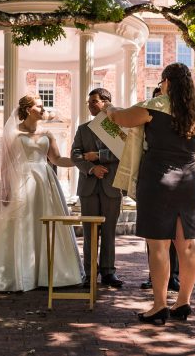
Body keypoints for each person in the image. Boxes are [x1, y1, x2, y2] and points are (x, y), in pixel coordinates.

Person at [108, 63, 195, 325]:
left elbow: (120, 119)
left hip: (158, 179)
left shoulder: (154, 106)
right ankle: (184, 301)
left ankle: (159, 305)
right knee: (187, 244)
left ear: (166, 82)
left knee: (159, 245)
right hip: (188, 182)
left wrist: (109, 109)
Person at [0, 94, 82, 292]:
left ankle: (49, 273)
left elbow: (56, 159)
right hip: (20, 180)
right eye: (39, 106)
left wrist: (80, 160)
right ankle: (16, 273)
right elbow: (6, 163)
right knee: (19, 223)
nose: (43, 109)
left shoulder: (47, 133)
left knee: (44, 222)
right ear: (29, 109)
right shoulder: (14, 132)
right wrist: (5, 187)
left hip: (44, 182)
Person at [71, 88, 123, 289]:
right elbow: (75, 155)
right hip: (88, 187)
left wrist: (99, 156)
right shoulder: (83, 129)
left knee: (109, 231)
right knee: (90, 231)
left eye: (94, 101)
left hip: (112, 186)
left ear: (106, 102)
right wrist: (92, 169)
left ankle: (109, 272)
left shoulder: (118, 128)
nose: (90, 105)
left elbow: (124, 152)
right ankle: (90, 273)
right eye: (89, 102)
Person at [140, 86, 180, 292]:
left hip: (175, 179)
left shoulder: (177, 121)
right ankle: (154, 276)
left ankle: (174, 276)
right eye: (156, 99)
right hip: (151, 177)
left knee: (176, 234)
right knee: (154, 236)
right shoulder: (145, 120)